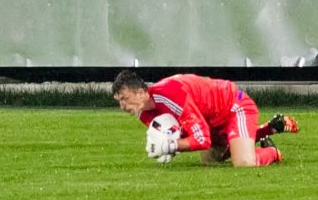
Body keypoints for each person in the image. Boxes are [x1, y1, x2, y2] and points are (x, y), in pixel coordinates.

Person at [111, 70, 299, 167]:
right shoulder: (144, 112)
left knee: (243, 163)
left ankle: (273, 152)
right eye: (119, 101)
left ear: (140, 92)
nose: (122, 106)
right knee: (211, 160)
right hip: (209, 120)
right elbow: (183, 132)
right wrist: (171, 145)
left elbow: (202, 139)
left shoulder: (171, 95)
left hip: (234, 107)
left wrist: (171, 146)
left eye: (125, 99)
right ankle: (266, 130)